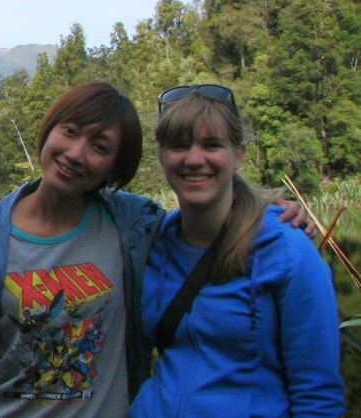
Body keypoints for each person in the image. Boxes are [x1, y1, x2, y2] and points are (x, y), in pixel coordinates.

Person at [0, 82, 313, 418]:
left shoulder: (134, 226)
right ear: (48, 129)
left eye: (100, 146)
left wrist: (265, 209)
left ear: (113, 168)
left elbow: (208, 214)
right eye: (69, 131)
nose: (76, 153)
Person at [128, 84, 345, 417]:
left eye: (211, 145)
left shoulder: (287, 250)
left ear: (239, 154)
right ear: (161, 156)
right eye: (179, 146)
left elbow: (318, 398)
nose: (194, 159)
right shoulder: (150, 241)